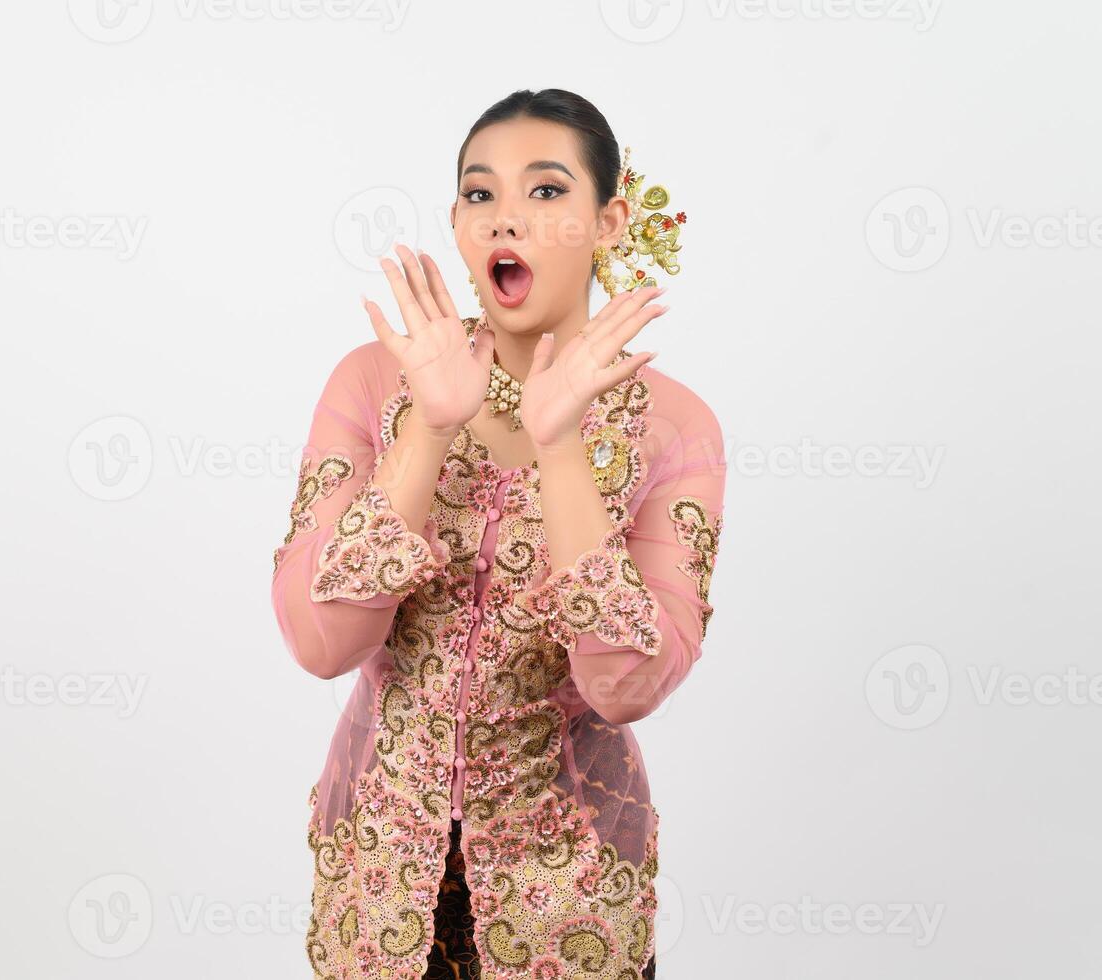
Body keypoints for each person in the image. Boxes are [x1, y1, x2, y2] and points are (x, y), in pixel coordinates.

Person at [271, 88, 726, 979]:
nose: (505, 217)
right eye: (480, 195)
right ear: (455, 222)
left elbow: (626, 684)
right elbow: (319, 642)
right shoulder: (374, 383)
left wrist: (561, 450)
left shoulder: (675, 426)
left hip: (571, 886)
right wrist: (428, 430)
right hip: (376, 872)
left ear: (610, 220)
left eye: (547, 191)